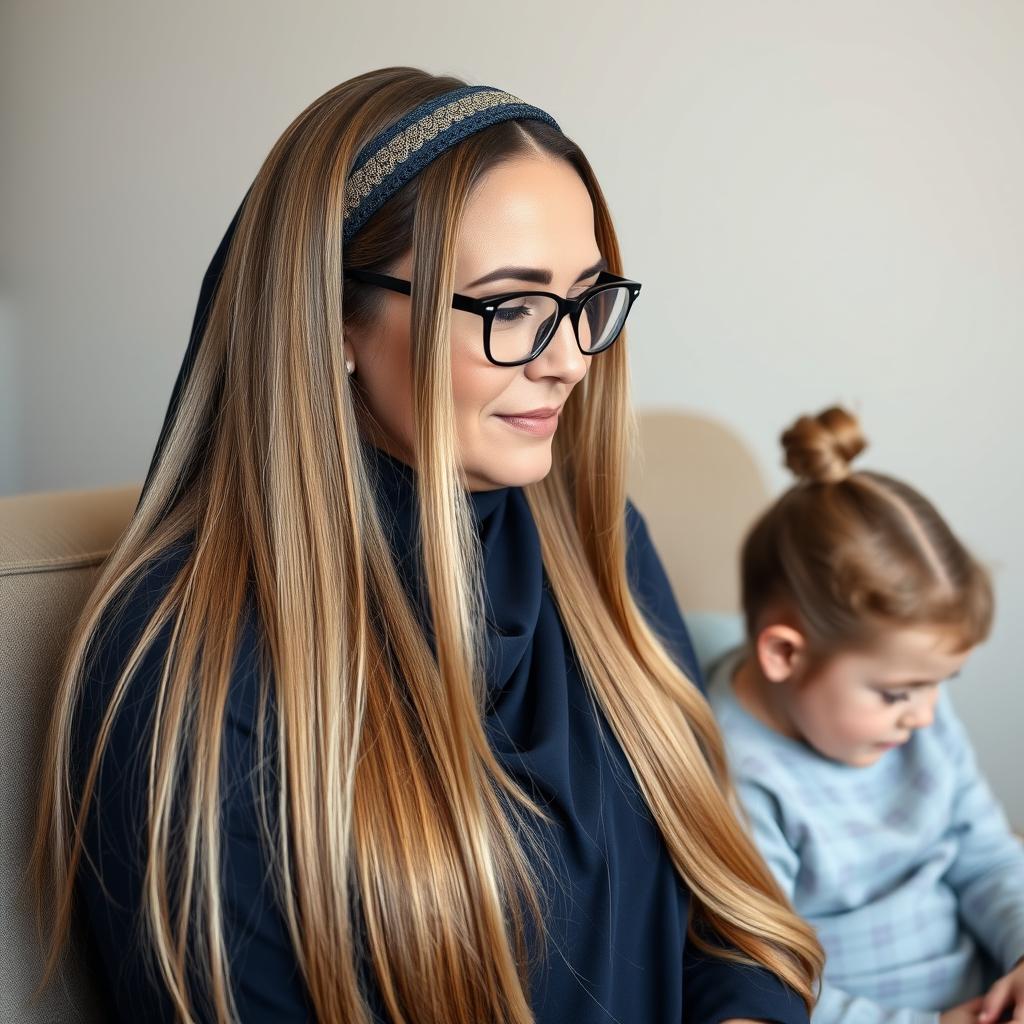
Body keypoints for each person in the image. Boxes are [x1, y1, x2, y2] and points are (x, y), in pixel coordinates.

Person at [31, 67, 822, 1024]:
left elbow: (723, 902)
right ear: (334, 324)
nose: (572, 358)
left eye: (586, 298)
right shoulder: (188, 665)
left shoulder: (596, 541)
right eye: (510, 306)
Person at [706, 406, 1024, 1024]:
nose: (925, 717)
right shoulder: (736, 774)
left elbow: (986, 854)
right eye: (899, 693)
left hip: (986, 983)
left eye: (941, 685)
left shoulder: (914, 711)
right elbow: (761, 977)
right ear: (783, 654)